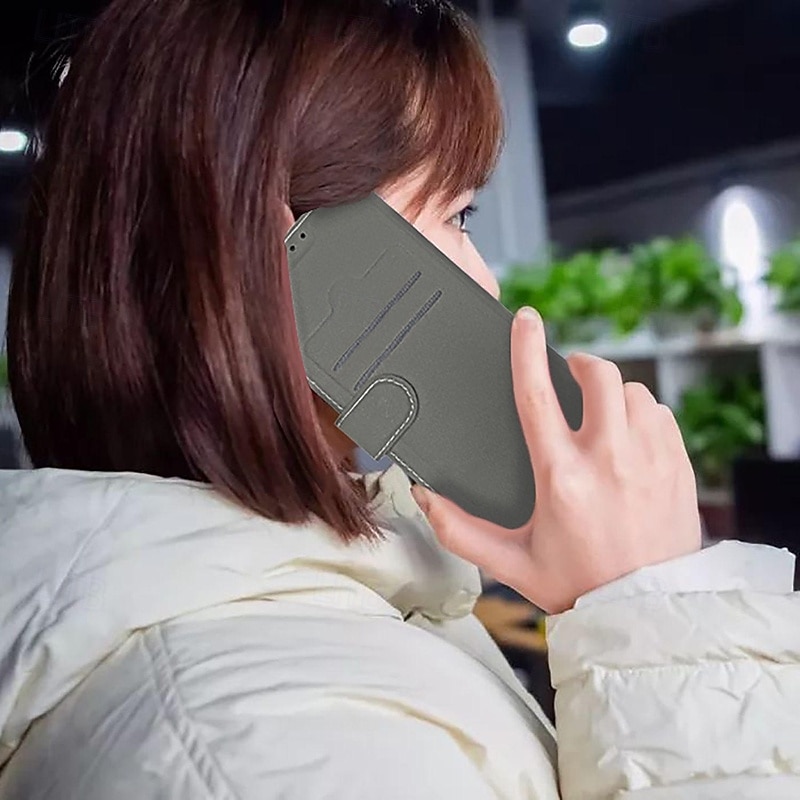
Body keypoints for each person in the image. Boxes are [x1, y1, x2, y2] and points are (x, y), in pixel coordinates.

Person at [0, 0, 798, 797]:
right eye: (457, 215)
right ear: (275, 258)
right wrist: (652, 616)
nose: (488, 284)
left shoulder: (287, 655)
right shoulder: (277, 743)